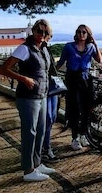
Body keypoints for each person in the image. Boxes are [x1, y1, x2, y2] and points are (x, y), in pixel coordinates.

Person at [0, 19, 56, 182]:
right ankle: (28, 170)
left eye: (45, 32)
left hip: (42, 95)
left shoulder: (44, 49)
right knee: (29, 132)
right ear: (33, 31)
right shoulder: (24, 48)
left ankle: (37, 163)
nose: (41, 35)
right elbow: (3, 68)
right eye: (39, 31)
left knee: (40, 131)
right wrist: (23, 78)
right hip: (28, 97)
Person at [56, 24, 102, 150]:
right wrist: (52, 75)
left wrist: (96, 44)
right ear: (76, 33)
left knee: (87, 108)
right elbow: (60, 62)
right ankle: (75, 137)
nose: (81, 34)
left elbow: (99, 60)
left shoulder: (91, 47)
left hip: (86, 79)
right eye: (79, 32)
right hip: (72, 79)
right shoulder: (68, 47)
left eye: (84, 32)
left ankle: (83, 134)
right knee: (75, 109)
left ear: (88, 35)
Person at [41, 34, 60, 163]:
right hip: (43, 88)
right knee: (47, 118)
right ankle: (45, 149)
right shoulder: (34, 49)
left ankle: (46, 147)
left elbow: (53, 68)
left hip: (53, 87)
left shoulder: (47, 48)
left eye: (47, 34)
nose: (45, 36)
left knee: (52, 118)